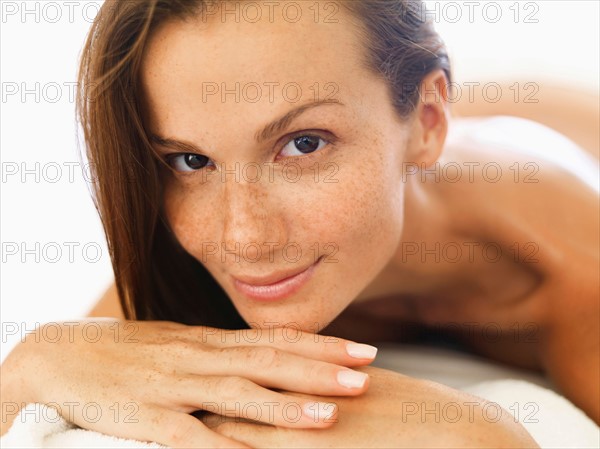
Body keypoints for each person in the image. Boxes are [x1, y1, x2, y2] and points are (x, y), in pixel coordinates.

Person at [1, 0, 597, 447]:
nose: (244, 238)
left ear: (429, 121)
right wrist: (31, 363)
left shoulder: (576, 280)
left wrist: (484, 438)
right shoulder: (183, 235)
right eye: (190, 160)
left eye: (304, 144)